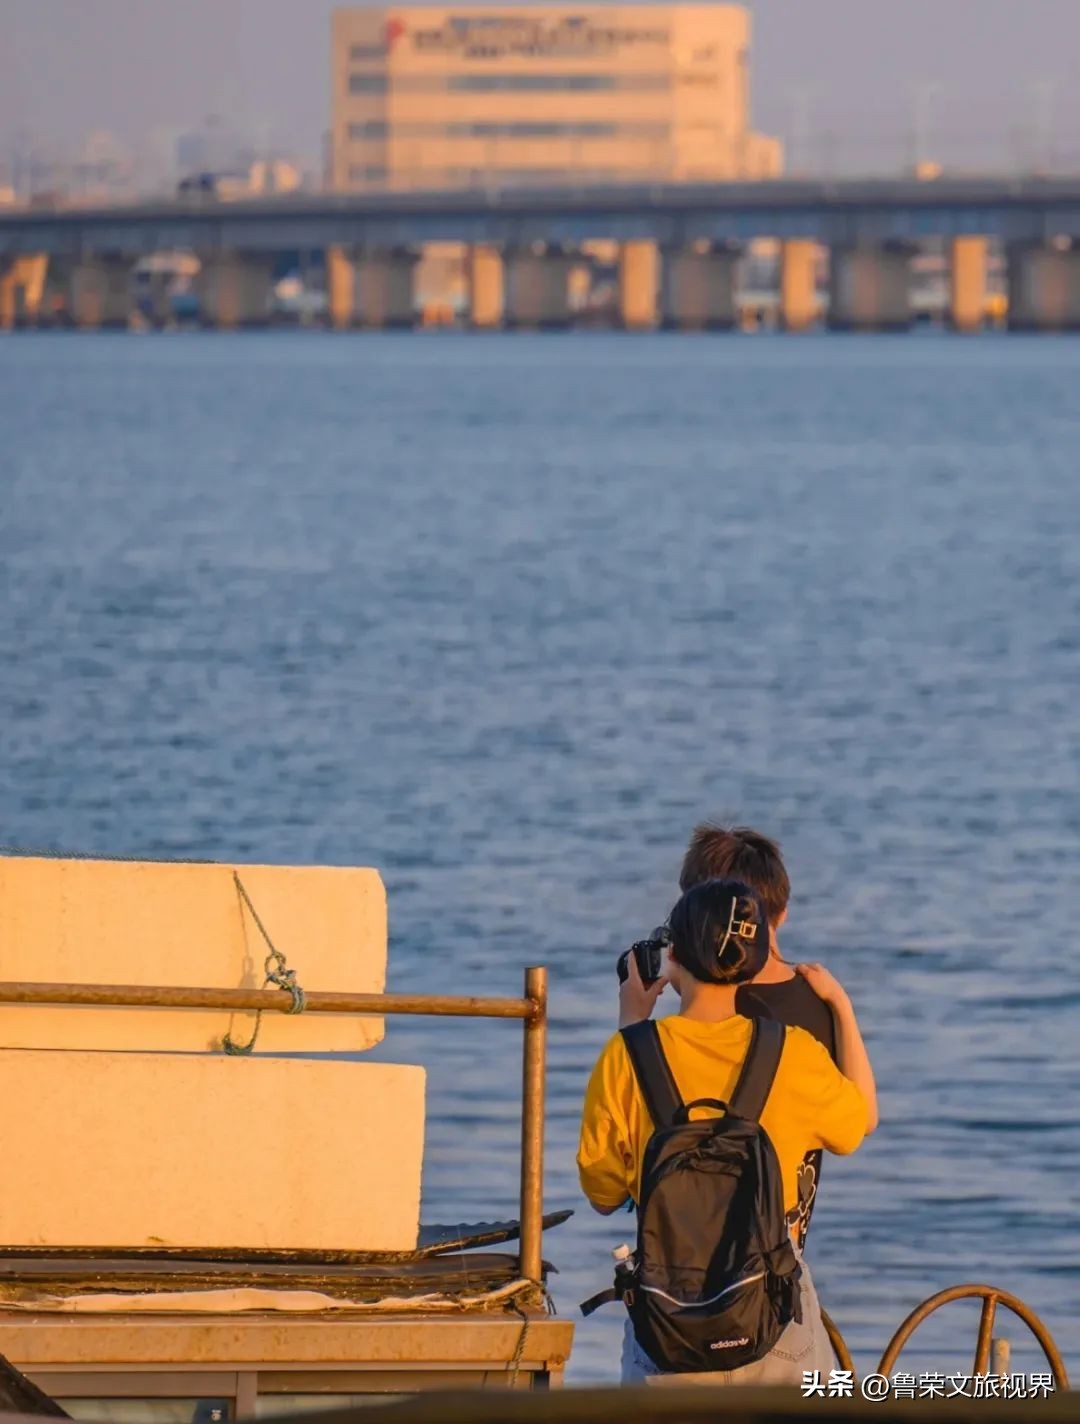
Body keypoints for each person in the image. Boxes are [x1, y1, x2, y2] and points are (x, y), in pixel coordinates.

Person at [577, 878, 876, 1384]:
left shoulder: (626, 1056)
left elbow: (603, 1193)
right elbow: (854, 1128)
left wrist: (632, 1027)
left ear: (672, 957)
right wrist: (841, 1006)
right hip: (774, 1317)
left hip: (668, 1326)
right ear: (755, 961)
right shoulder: (794, 1052)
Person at [678, 824, 879, 1243]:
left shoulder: (705, 1007)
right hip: (778, 1259)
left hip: (679, 1262)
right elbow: (864, 1120)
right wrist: (842, 1006)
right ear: (781, 913)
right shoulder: (816, 1000)